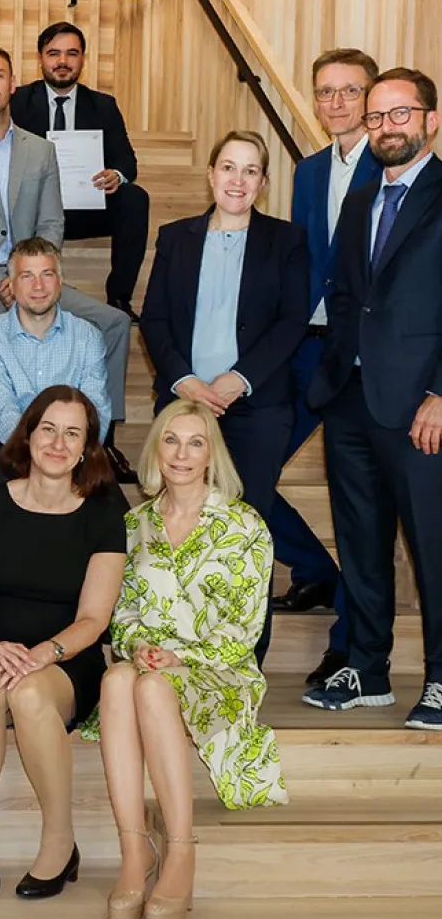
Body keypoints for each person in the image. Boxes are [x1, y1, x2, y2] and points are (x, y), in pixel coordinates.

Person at [84, 401, 287, 919]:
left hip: (220, 668)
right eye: (171, 440)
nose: (181, 453)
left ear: (211, 454)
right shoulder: (134, 525)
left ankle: (180, 849)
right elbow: (119, 611)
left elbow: (246, 627)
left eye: (195, 442)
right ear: (156, 449)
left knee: (152, 689)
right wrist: (136, 646)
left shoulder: (243, 525)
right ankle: (135, 852)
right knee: (117, 678)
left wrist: (180, 657)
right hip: (151, 662)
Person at [0, 386, 126, 902]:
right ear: (28, 434)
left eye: (73, 433)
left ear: (87, 447)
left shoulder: (103, 513)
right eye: (48, 428)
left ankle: (59, 838)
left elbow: (94, 618)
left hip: (67, 661)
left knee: (28, 694)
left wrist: (42, 654)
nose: (57, 442)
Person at [0, 46, 135, 480]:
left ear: (13, 85)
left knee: (112, 322)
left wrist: (34, 274)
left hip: (33, 273)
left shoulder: (40, 150)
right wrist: (0, 277)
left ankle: (98, 444)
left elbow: (51, 220)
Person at [304, 67, 442, 729]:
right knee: (360, 542)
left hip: (422, 406)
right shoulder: (360, 201)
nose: (387, 127)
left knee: (432, 545)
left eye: (400, 114)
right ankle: (368, 667)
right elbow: (348, 294)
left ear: (429, 120)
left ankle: (441, 677)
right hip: (351, 397)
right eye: (377, 117)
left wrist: (441, 392)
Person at [140, 129, 309, 665]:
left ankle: (240, 662)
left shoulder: (286, 240)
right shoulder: (176, 236)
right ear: (210, 174)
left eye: (250, 170)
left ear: (262, 182)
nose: (238, 180)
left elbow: (291, 321)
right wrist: (183, 379)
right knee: (178, 526)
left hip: (255, 406)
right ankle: (174, 651)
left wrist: (240, 378)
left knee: (246, 535)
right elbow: (155, 317)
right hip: (184, 405)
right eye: (228, 168)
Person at [275, 49, 382, 685]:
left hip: (363, 358)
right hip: (305, 346)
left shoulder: (393, 166)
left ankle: (348, 640)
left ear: (370, 99)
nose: (336, 103)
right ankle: (315, 570)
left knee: (357, 506)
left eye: (349, 91)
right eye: (325, 92)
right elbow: (301, 259)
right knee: (246, 476)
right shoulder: (308, 171)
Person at [11, 22, 151, 320]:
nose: (62, 62)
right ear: (40, 58)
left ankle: (119, 298)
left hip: (86, 207)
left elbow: (128, 163)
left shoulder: (103, 105)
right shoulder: (18, 102)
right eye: (54, 53)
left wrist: (116, 175)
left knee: (135, 198)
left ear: (82, 59)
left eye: (71, 54)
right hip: (36, 210)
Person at [0, 238, 111, 494]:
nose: (38, 286)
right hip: (5, 444)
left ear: (60, 280)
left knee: (110, 502)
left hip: (72, 445)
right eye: (26, 276)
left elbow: (95, 408)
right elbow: (0, 409)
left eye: (47, 274)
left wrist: (63, 448)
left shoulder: (87, 336)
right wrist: (42, 452)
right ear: (10, 284)